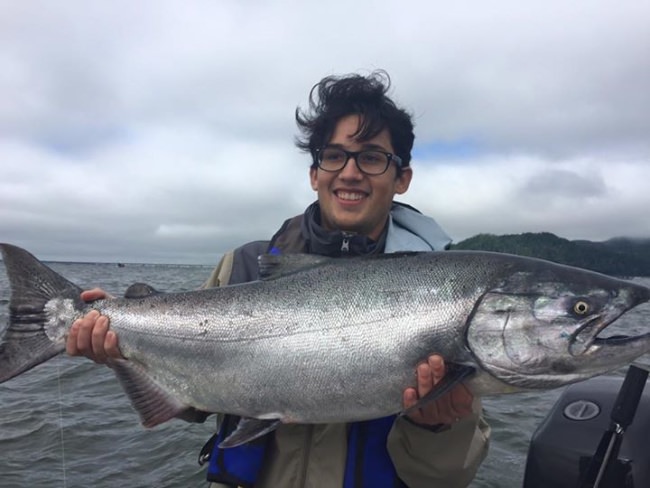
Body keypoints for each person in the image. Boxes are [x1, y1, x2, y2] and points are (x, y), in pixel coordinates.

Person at [67, 70, 490, 488]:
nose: (350, 172)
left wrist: (436, 427)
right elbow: (192, 405)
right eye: (334, 155)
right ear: (314, 173)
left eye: (372, 157)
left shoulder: (445, 297)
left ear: (402, 179)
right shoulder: (243, 266)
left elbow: (449, 477)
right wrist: (122, 344)